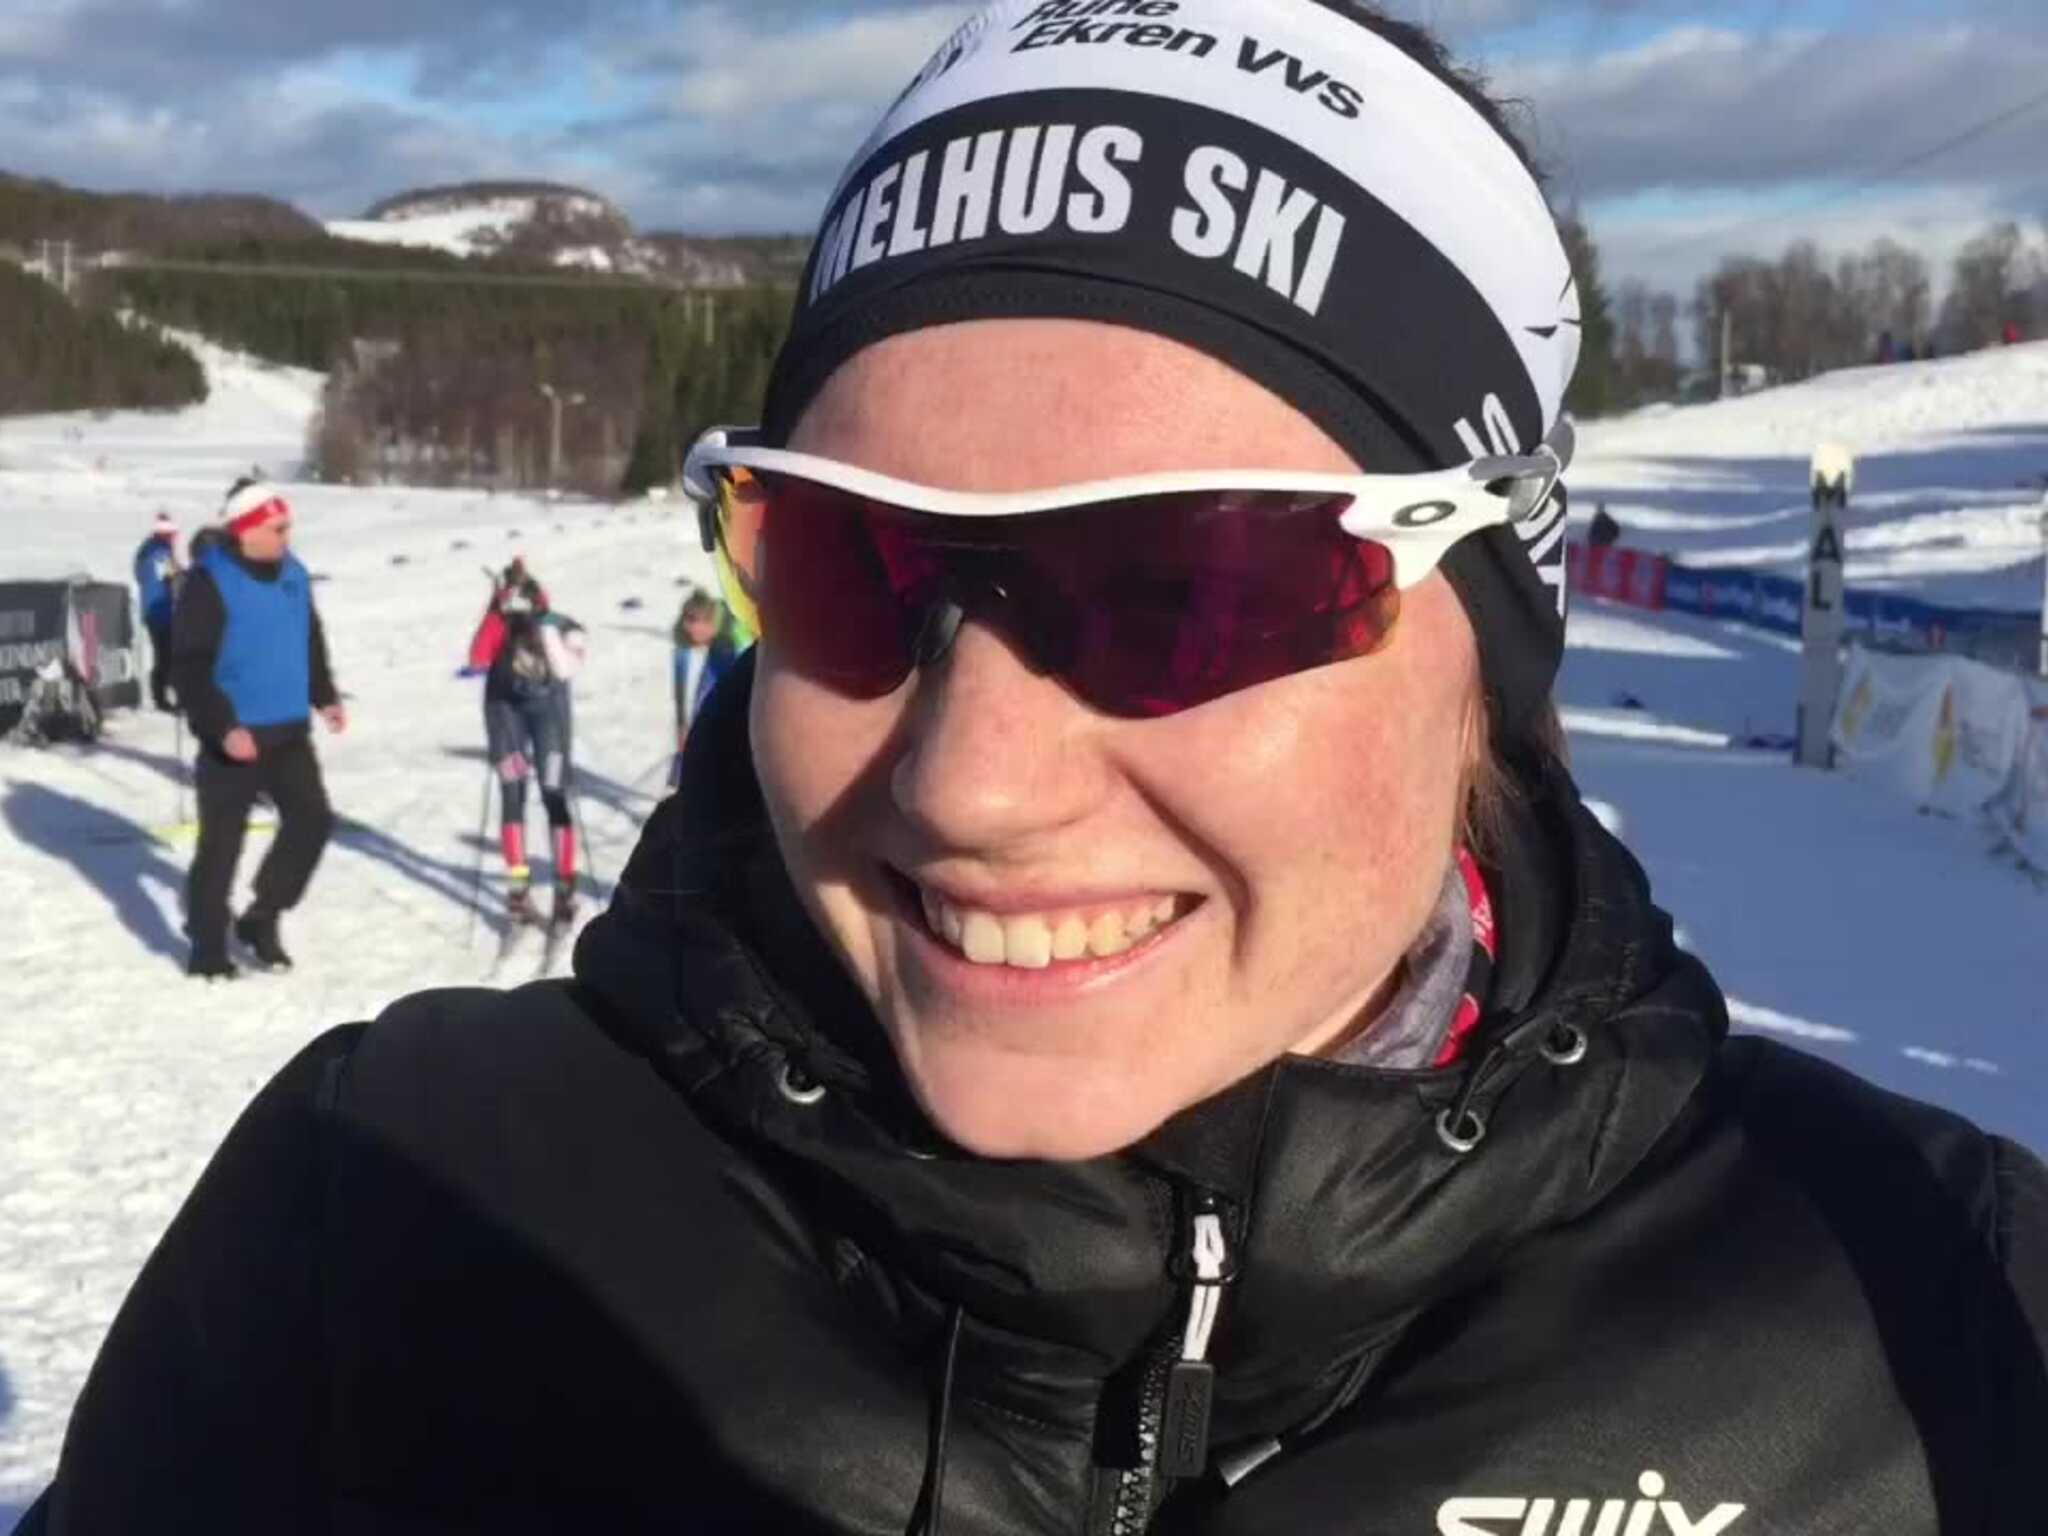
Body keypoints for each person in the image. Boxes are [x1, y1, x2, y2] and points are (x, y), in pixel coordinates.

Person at [25, 4, 2048, 1532]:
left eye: (1189, 585)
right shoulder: (395, 1217)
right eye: (851, 559)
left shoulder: (1925, 1317)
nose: (972, 779)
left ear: (1494, 651)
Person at [168, 478, 341, 980]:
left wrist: (324, 694)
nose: (287, 536)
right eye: (278, 528)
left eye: (287, 527)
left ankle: (262, 915)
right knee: (222, 845)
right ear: (247, 531)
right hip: (234, 737)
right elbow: (190, 668)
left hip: (288, 731)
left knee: (312, 821)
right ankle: (207, 946)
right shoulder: (209, 582)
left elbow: (308, 637)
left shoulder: (294, 574)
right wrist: (222, 727)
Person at [467, 558, 587, 929]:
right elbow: (478, 658)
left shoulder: (552, 621)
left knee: (554, 792)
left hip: (548, 711)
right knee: (512, 792)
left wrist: (539, 618)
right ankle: (518, 886)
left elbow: (568, 664)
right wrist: (495, 611)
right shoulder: (500, 619)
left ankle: (565, 884)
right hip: (505, 712)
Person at [670, 587, 738, 785]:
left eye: (703, 622)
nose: (696, 628)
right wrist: (681, 725)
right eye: (690, 621)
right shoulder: (682, 651)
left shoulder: (726, 652)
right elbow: (681, 693)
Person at [131, 511, 180, 712]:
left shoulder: (146, 550)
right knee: (167, 655)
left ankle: (161, 695)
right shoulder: (161, 553)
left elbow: (140, 575)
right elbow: (173, 579)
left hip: (152, 609)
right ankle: (162, 697)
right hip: (161, 610)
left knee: (164, 654)